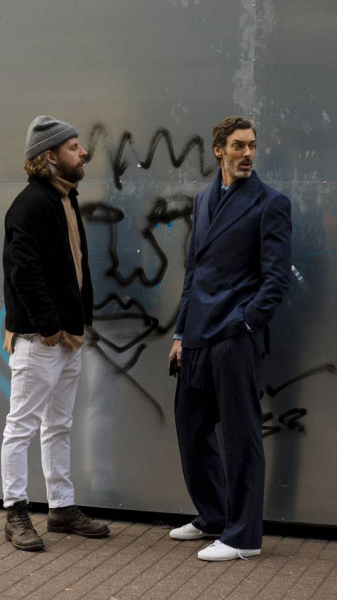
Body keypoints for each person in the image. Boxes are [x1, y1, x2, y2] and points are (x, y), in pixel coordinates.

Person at [168, 116, 291, 561]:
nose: (248, 154)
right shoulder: (203, 200)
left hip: (235, 336)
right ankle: (215, 516)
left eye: (252, 145)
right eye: (239, 146)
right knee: (191, 427)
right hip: (198, 335)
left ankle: (244, 538)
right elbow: (194, 272)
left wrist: (245, 322)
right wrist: (180, 332)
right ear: (218, 149)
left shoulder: (270, 203)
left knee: (241, 437)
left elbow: (276, 280)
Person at [1, 115, 109, 551]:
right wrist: (48, 326)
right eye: (73, 147)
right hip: (39, 339)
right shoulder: (29, 205)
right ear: (49, 156)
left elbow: (74, 266)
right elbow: (23, 271)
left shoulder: (65, 197)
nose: (83, 153)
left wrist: (77, 322)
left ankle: (61, 508)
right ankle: (15, 513)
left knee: (59, 425)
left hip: (66, 338)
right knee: (21, 427)